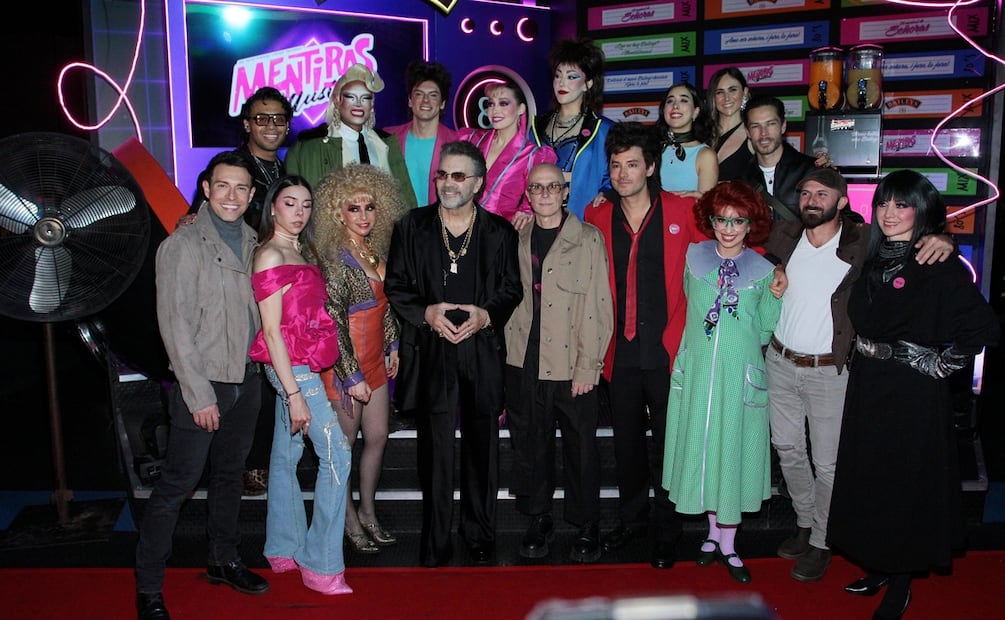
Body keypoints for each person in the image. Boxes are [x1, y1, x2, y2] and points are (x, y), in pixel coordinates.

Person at [828, 170, 999, 620]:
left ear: (922, 211)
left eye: (902, 205)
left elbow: (983, 328)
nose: (889, 212)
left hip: (910, 395)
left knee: (903, 487)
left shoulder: (935, 262)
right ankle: (882, 565)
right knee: (872, 482)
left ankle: (902, 580)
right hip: (869, 386)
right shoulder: (875, 253)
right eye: (884, 202)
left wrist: (940, 365)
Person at [135, 151, 268, 620]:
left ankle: (223, 559)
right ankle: (149, 586)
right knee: (176, 487)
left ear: (252, 196)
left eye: (241, 188)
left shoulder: (255, 241)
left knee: (230, 478)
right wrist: (198, 395)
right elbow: (175, 329)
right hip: (205, 384)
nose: (232, 196)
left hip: (247, 382)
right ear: (207, 189)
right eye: (223, 186)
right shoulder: (183, 245)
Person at [384, 140, 523, 568]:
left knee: (483, 447)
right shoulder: (412, 225)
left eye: (458, 175)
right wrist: (426, 312)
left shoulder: (499, 231)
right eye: (442, 175)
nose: (447, 182)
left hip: (481, 349)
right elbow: (396, 285)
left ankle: (480, 535)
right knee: (435, 450)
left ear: (478, 183)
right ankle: (436, 538)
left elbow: (511, 289)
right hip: (432, 350)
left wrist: (486, 315)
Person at [583, 121, 706, 569]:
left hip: (668, 348)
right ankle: (632, 520)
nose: (623, 174)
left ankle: (667, 530)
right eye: (615, 166)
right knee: (627, 443)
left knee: (668, 443)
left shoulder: (684, 211)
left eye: (632, 165)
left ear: (651, 167)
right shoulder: (596, 214)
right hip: (618, 350)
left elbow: (723, 252)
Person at [662, 180, 783, 585]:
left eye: (737, 221)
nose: (728, 228)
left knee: (731, 451)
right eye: (721, 219)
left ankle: (729, 543)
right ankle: (712, 534)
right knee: (703, 448)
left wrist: (776, 295)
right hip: (696, 371)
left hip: (740, 374)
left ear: (751, 224)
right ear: (710, 221)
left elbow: (765, 329)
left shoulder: (766, 272)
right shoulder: (693, 257)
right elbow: (684, 305)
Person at [248, 175, 352, 595]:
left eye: (306, 204)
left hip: (301, 363)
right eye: (290, 203)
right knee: (337, 456)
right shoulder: (271, 254)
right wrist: (294, 395)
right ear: (272, 207)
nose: (299, 212)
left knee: (285, 454)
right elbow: (271, 331)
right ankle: (321, 564)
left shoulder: (297, 249)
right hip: (291, 368)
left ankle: (283, 547)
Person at [503, 163, 613, 563]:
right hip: (523, 360)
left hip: (571, 364)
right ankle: (539, 517)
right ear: (527, 194)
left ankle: (586, 525)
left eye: (553, 187)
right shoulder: (515, 237)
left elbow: (599, 306)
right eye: (537, 187)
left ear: (566, 192)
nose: (545, 193)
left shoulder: (587, 239)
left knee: (581, 447)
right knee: (531, 445)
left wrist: (589, 366)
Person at [314, 164, 406, 555]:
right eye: (354, 209)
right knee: (344, 447)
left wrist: (393, 345)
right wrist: (350, 376)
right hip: (344, 367)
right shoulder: (334, 258)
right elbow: (334, 322)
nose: (364, 215)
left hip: (376, 362)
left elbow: (386, 307)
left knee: (379, 438)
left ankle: (368, 511)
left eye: (370, 207)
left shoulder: (375, 249)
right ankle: (348, 519)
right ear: (337, 212)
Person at [238, 86, 295, 497]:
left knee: (282, 367)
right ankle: (252, 462)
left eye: (277, 118)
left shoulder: (284, 168)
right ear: (247, 125)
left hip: (283, 283)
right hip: (246, 283)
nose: (270, 125)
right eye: (262, 118)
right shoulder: (235, 168)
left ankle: (276, 459)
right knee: (256, 376)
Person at [285, 63, 417, 209]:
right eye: (351, 97)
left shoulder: (386, 144)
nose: (358, 104)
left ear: (372, 104)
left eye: (365, 98)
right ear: (337, 100)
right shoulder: (308, 147)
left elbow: (406, 201)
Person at [528, 38, 615, 220]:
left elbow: (614, 179)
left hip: (583, 225)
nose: (562, 83)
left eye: (571, 76)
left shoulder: (603, 130)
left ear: (588, 83)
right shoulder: (535, 127)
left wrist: (606, 194)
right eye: (558, 75)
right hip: (538, 224)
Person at [457, 78, 557, 227]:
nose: (495, 110)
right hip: (460, 227)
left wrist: (526, 211)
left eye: (503, 103)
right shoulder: (471, 139)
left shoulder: (533, 156)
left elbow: (538, 196)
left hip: (499, 234)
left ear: (521, 109)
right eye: (491, 104)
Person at [384, 60, 457, 205]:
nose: (425, 101)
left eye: (433, 95)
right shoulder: (388, 139)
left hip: (439, 224)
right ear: (410, 101)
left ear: (442, 103)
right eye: (419, 94)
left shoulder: (456, 142)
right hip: (398, 224)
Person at [740, 96, 816, 221]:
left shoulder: (811, 171)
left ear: (783, 126)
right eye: (755, 126)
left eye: (770, 124)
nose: (763, 133)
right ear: (747, 132)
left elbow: (842, 222)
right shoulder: (742, 179)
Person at [655, 81, 718, 198]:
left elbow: (706, 207)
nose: (675, 106)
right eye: (670, 101)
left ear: (695, 112)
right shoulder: (651, 148)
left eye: (683, 100)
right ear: (664, 110)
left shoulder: (705, 155)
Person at [706, 67, 752, 182]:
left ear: (745, 92)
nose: (726, 98)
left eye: (733, 90)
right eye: (720, 92)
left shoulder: (753, 135)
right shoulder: (702, 134)